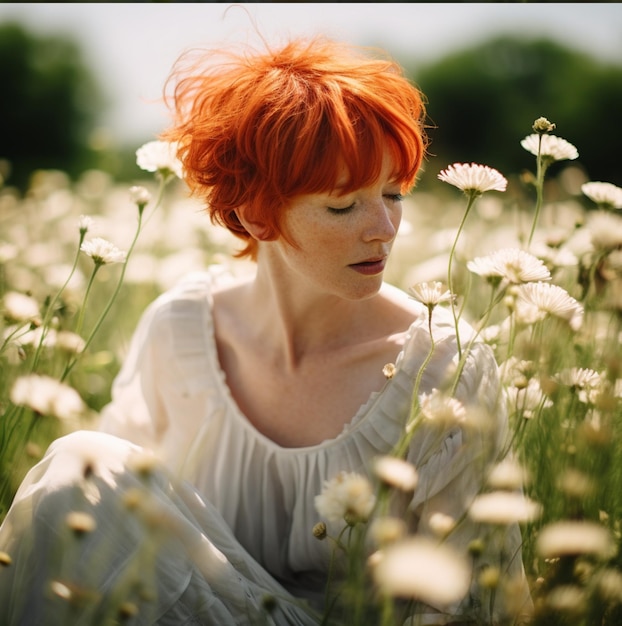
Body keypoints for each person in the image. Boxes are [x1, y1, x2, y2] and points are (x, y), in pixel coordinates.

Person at [0, 36, 531, 625]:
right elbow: (103, 536)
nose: (384, 228)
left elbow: (473, 604)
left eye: (392, 194)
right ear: (257, 214)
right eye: (342, 206)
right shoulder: (180, 330)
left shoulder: (444, 368)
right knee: (80, 468)